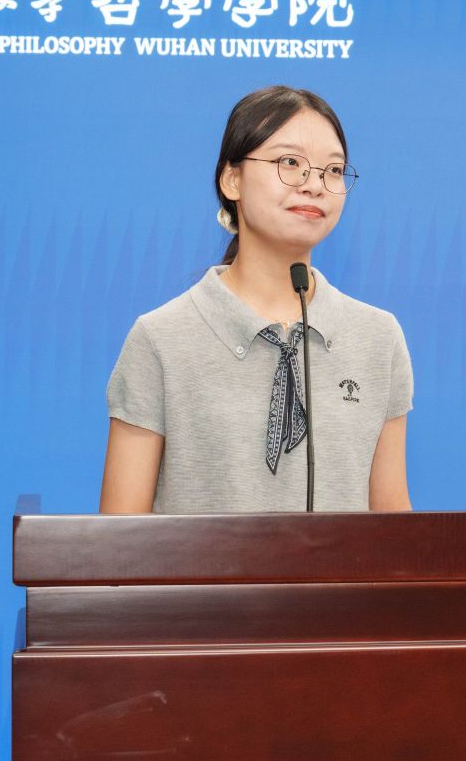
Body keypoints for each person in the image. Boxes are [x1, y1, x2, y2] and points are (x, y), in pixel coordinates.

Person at [100, 85, 413, 514]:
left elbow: (392, 519)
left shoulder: (378, 337)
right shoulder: (161, 340)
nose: (314, 185)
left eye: (333, 170)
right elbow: (121, 533)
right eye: (290, 163)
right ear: (232, 179)